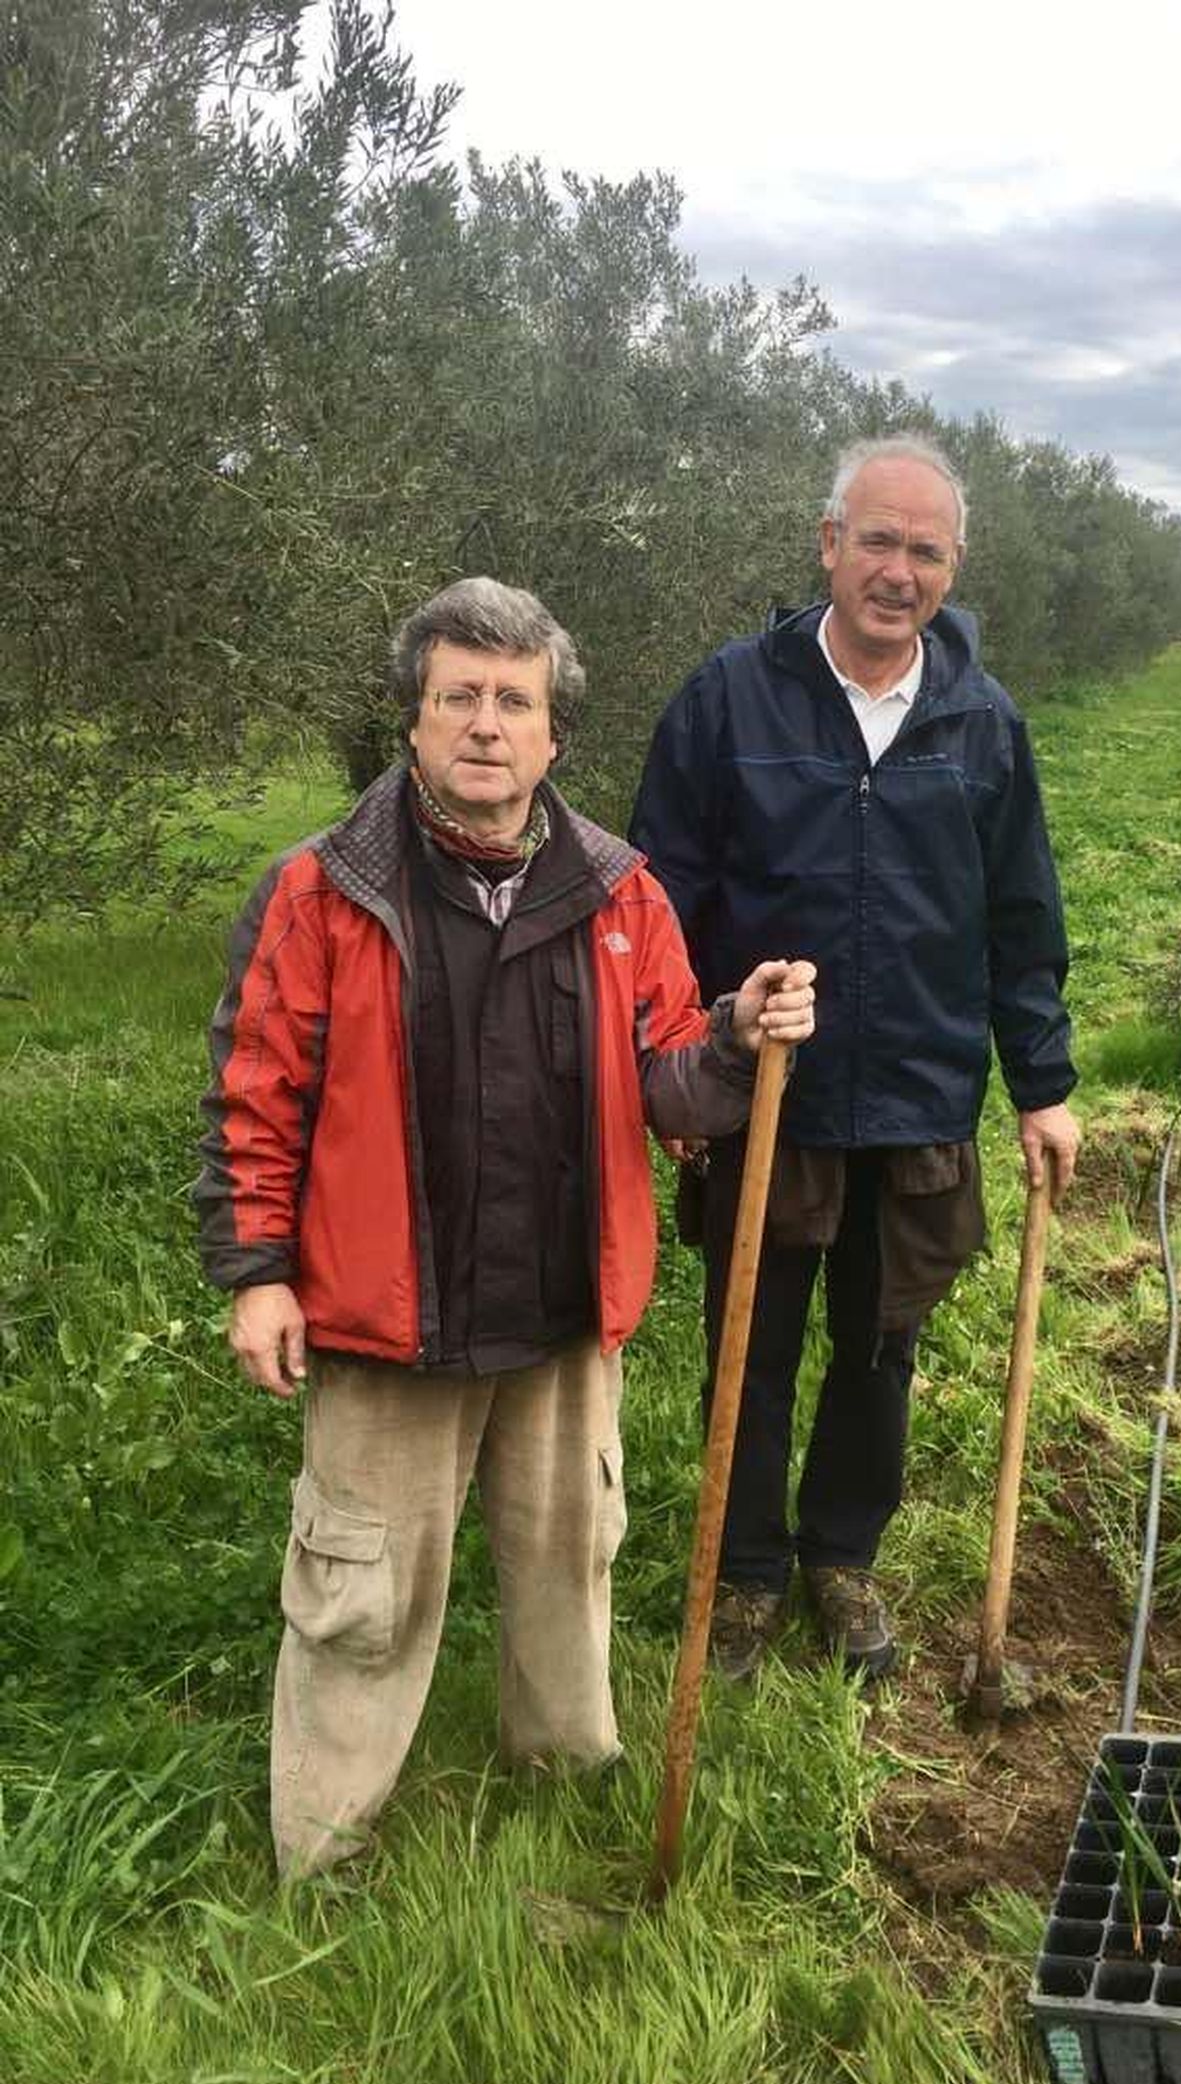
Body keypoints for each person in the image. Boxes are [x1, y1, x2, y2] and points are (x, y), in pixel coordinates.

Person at [195, 576, 815, 1878]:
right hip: (384, 1314)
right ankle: (326, 1837)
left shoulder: (621, 895)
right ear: (414, 723)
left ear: (552, 735)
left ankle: (570, 1775)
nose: (485, 724)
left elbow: (667, 1075)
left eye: (512, 701)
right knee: (357, 1592)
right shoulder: (320, 893)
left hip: (558, 1312)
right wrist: (257, 1273)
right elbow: (259, 1094)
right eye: (458, 696)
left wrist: (733, 1036)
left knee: (570, 1562)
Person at [628, 434, 1079, 1684]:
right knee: (751, 1343)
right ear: (828, 544)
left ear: (953, 567)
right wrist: (683, 1055)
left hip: (921, 1095)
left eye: (923, 551)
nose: (897, 571)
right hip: (771, 1092)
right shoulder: (727, 700)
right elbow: (657, 898)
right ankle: (748, 1575)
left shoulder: (982, 725)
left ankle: (840, 1557)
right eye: (876, 541)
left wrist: (1041, 1089)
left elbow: (1020, 921)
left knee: (882, 1348)